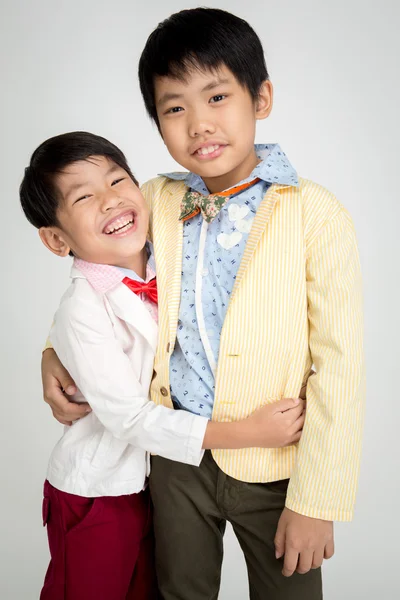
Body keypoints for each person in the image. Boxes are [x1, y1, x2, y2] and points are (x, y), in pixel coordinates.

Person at [41, 7, 365, 600]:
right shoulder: (153, 199)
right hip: (175, 465)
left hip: (277, 464)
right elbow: (101, 275)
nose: (199, 125)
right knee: (178, 591)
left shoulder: (313, 213)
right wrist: (53, 351)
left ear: (261, 96)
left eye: (217, 97)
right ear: (157, 122)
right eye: (174, 108)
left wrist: (319, 500)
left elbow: (340, 366)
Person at [21, 131, 305, 600]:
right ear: (56, 239)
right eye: (85, 197)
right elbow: (128, 417)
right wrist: (247, 433)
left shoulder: (167, 257)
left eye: (117, 180)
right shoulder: (82, 308)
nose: (111, 201)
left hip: (154, 484)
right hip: (98, 490)